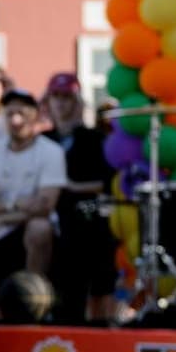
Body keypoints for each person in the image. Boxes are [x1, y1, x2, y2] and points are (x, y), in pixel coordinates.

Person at [0, 89, 67, 317]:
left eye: (21, 113)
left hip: (21, 228)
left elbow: (45, 207)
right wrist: (19, 204)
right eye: (10, 113)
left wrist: (3, 216)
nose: (15, 120)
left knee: (39, 228)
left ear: (35, 115)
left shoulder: (51, 152)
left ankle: (36, 303)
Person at [42, 73, 121, 324]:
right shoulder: (43, 140)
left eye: (67, 97)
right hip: (52, 219)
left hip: (85, 219)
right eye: (56, 97)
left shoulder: (94, 139)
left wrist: (73, 187)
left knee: (96, 265)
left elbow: (108, 182)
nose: (61, 103)